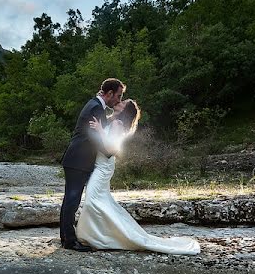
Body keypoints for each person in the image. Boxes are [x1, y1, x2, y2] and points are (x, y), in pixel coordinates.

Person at [75, 99, 201, 255]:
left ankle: (98, 236)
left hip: (103, 168)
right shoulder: (115, 122)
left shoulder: (116, 125)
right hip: (101, 166)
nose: (119, 103)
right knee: (100, 200)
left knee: (91, 200)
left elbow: (111, 149)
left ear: (124, 110)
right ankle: (102, 234)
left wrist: (100, 130)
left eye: (122, 103)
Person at [59, 78, 126, 251]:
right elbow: (94, 137)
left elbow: (101, 128)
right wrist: (110, 153)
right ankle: (70, 241)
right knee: (72, 200)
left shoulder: (95, 104)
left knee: (70, 200)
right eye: (118, 96)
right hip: (78, 160)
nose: (118, 100)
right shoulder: (96, 107)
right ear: (109, 93)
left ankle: (65, 237)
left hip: (76, 159)